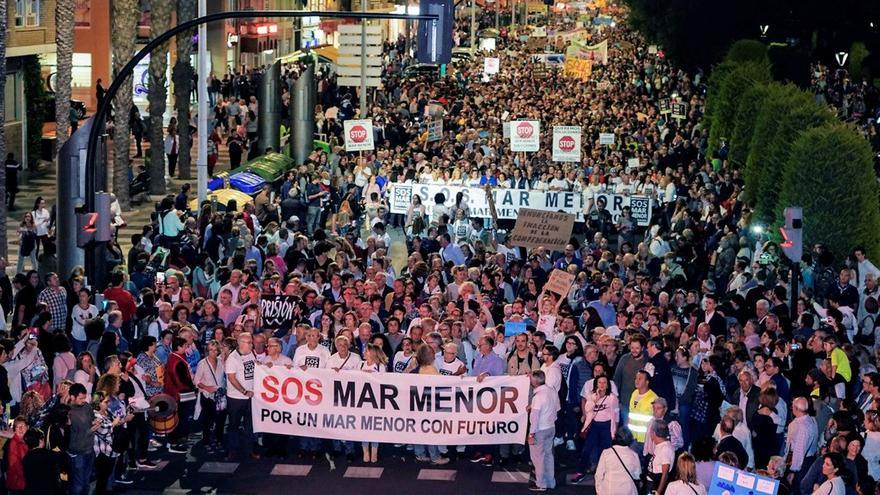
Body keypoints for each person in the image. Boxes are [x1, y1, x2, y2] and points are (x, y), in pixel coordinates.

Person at [225, 332, 260, 461]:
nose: (252, 344)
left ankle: (249, 450)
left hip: (250, 397)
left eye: (251, 342)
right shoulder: (232, 359)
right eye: (249, 342)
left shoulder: (250, 353)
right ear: (241, 344)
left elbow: (255, 366)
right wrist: (244, 391)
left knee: (250, 425)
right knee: (234, 425)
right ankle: (232, 450)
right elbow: (231, 378)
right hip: (236, 398)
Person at [528, 369, 559, 492]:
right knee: (548, 455)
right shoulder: (552, 391)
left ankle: (540, 483)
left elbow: (535, 419)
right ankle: (551, 481)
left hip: (540, 430)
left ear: (535, 382)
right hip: (551, 427)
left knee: (538, 458)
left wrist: (531, 434)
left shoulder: (538, 397)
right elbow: (556, 409)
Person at [67, 383, 97, 495]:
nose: (83, 400)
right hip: (77, 452)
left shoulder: (87, 407)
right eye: (81, 398)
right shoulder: (68, 412)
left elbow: (91, 419)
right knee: (78, 485)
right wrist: (92, 429)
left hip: (89, 449)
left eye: (84, 398)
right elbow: (76, 433)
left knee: (86, 483)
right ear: (72, 397)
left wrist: (94, 423)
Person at [595, 427, 642, 495]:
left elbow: (599, 474)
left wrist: (599, 490)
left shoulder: (606, 453)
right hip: (628, 490)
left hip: (609, 489)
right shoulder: (634, 455)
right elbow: (637, 475)